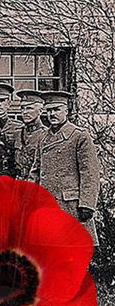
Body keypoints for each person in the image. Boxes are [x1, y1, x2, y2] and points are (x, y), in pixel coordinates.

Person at [32, 91, 101, 244]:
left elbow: (90, 173)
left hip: (70, 205)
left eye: (56, 109)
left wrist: (87, 204)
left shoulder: (79, 135)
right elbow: (36, 170)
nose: (52, 114)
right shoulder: (43, 138)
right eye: (49, 110)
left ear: (66, 110)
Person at [13, 90, 47, 180]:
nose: (24, 112)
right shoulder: (18, 133)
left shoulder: (46, 135)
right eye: (22, 108)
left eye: (29, 108)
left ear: (40, 111)